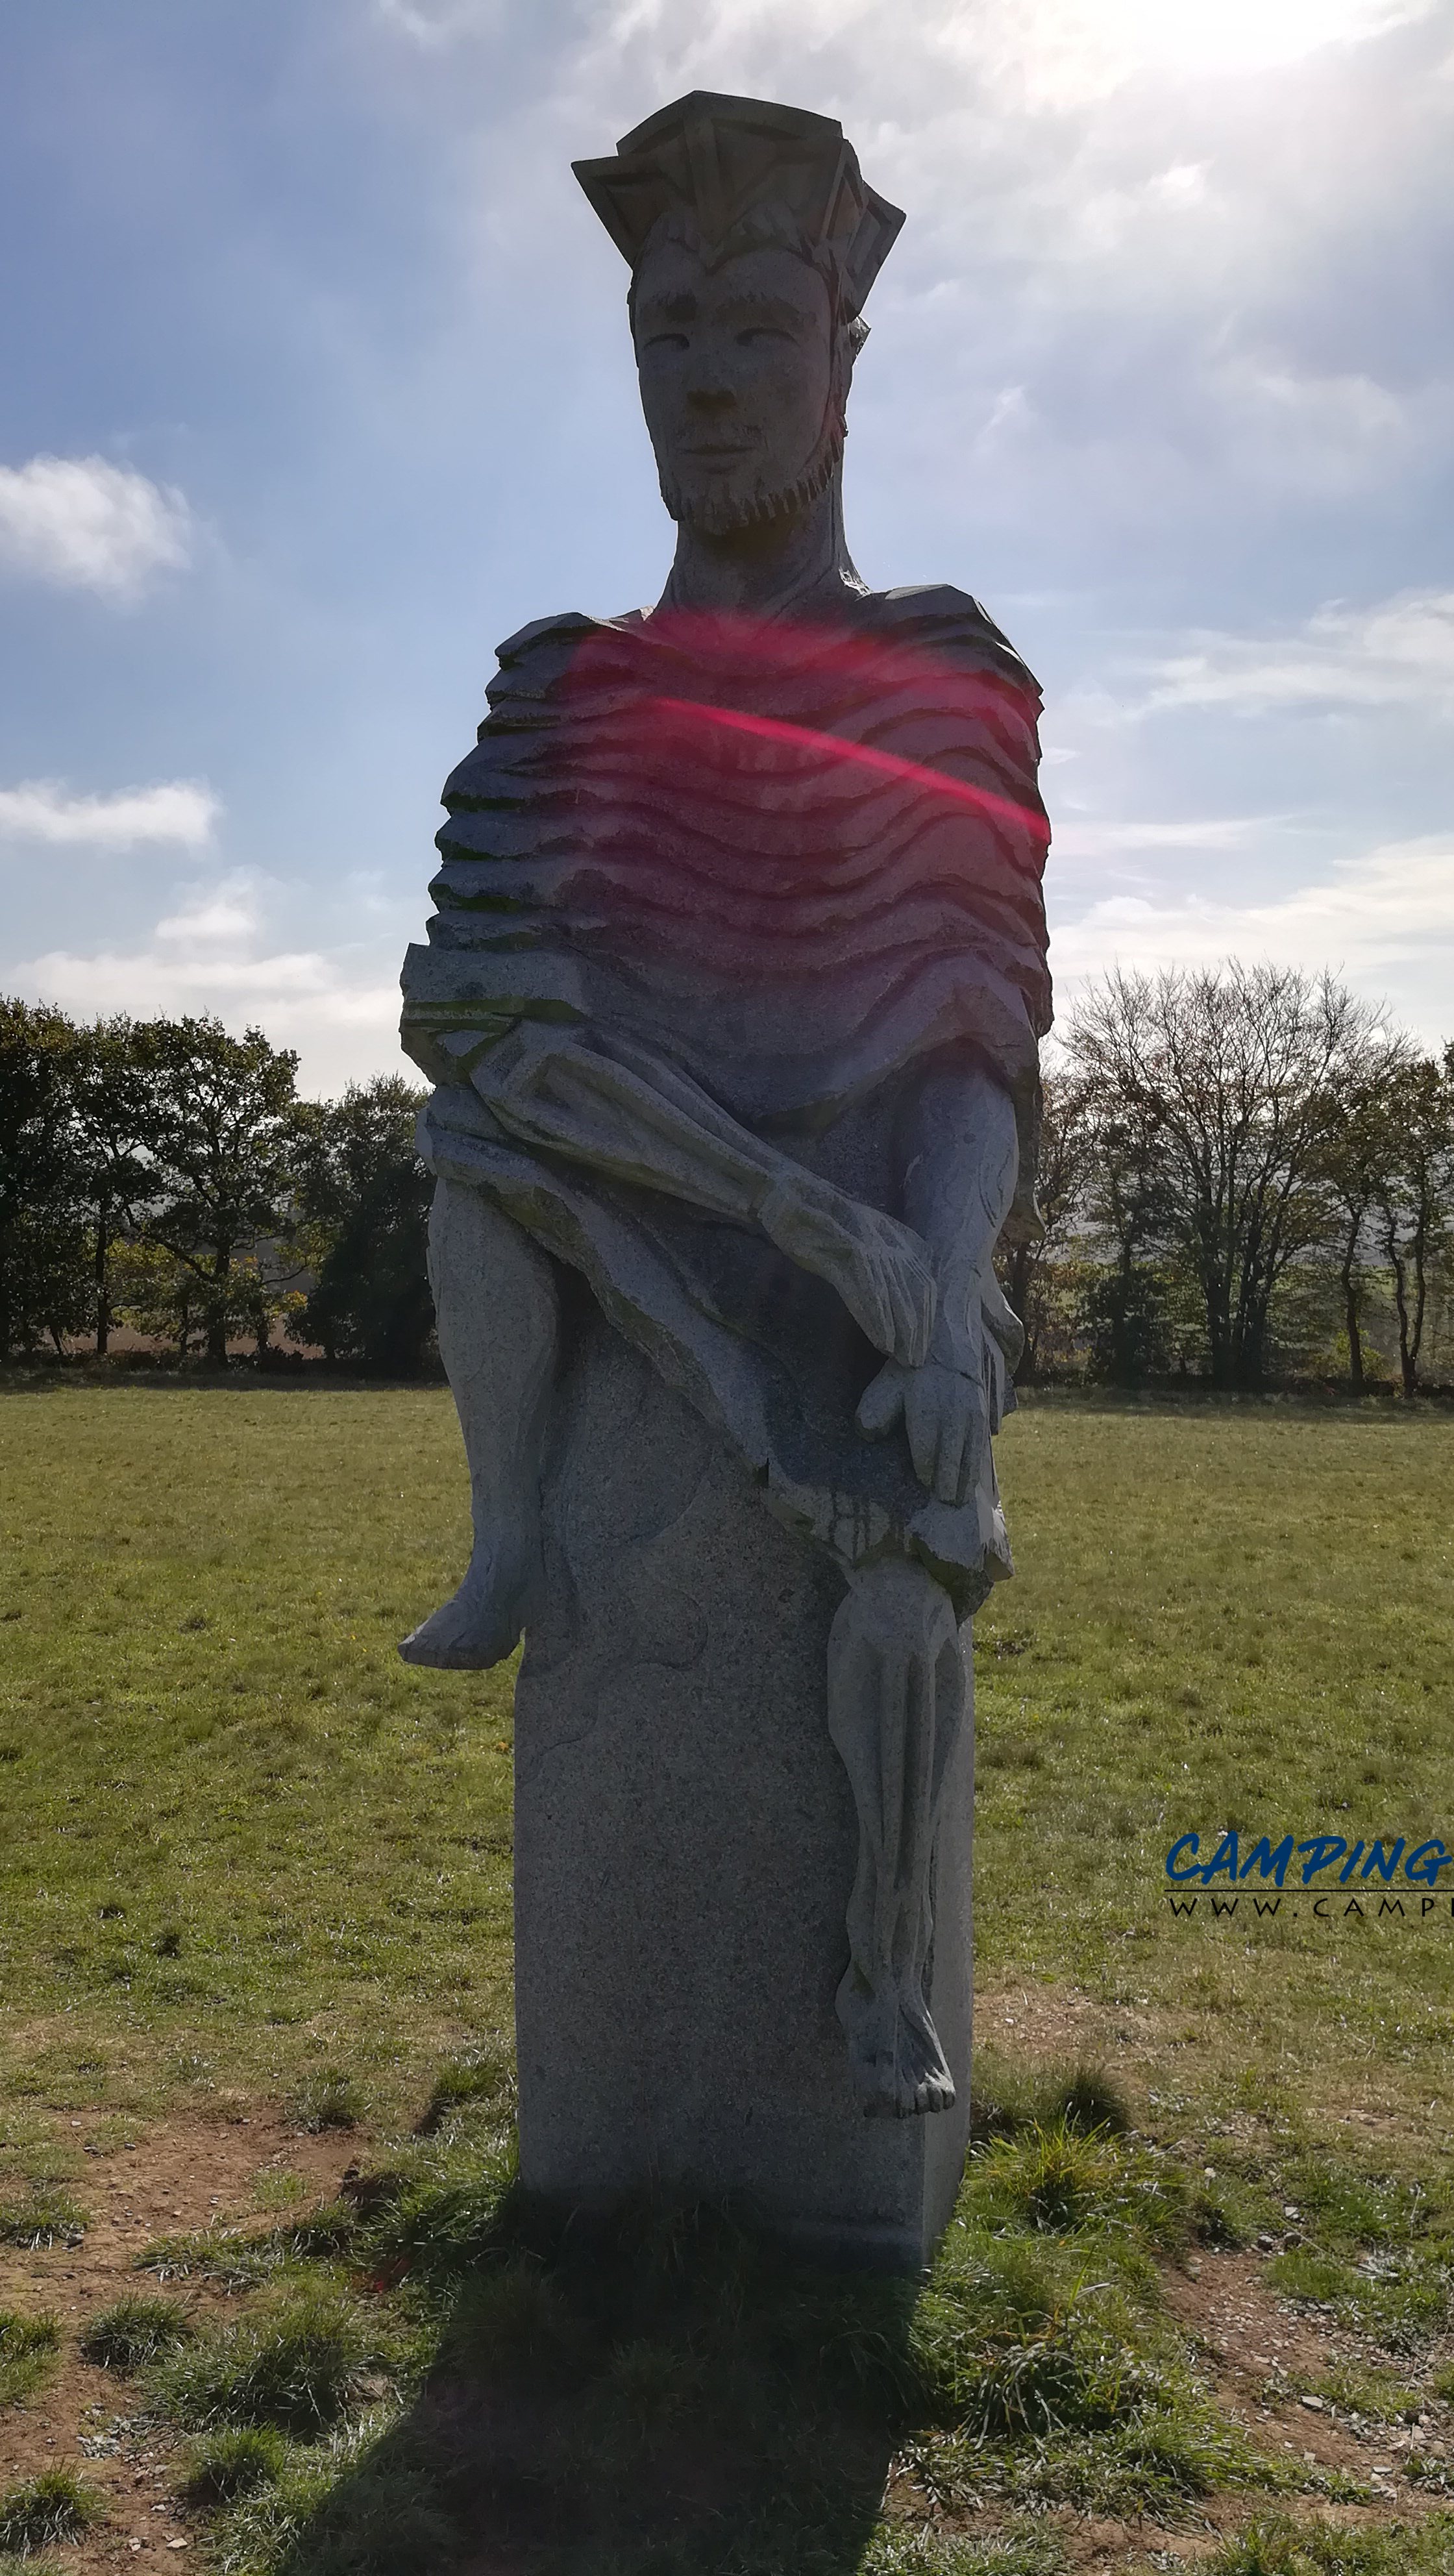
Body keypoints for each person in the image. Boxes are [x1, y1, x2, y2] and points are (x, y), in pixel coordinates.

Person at [399, 92, 1052, 2119]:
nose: (704, 380)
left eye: (754, 329)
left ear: (843, 363)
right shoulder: (563, 683)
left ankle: (875, 1989)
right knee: (477, 1153)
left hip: (878, 1239)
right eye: (666, 337)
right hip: (638, 1201)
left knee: (895, 1579)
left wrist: (934, 1281)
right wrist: (797, 1218)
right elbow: (489, 1023)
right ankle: (518, 1530)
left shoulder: (942, 668)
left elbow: (977, 1042)